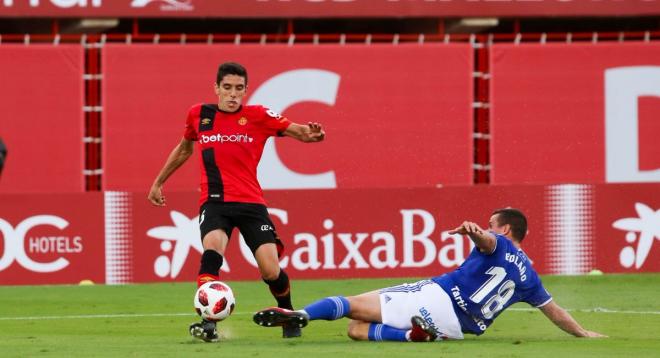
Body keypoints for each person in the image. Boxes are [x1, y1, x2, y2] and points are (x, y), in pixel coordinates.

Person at [148, 62, 326, 342]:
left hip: (251, 204)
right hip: (215, 202)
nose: (233, 94)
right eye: (227, 87)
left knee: (270, 269)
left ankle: (289, 314)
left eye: (239, 88)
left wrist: (312, 134)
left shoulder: (258, 116)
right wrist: (159, 181)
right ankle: (208, 323)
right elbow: (185, 148)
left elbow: (300, 131)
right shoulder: (199, 115)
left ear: (246, 90)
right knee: (212, 252)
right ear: (216, 88)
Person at [253, 208, 606, 341]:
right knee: (356, 331)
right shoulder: (529, 274)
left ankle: (301, 315)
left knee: (350, 304)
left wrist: (472, 230)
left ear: (507, 229)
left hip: (441, 297)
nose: (488, 227)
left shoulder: (498, 241)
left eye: (492, 223)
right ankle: (414, 338)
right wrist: (583, 333)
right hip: (462, 329)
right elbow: (553, 310)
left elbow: (485, 240)